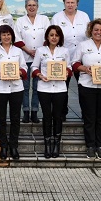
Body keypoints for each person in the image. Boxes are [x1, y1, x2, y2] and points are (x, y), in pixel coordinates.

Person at [71, 18, 101, 160]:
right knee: (89, 117)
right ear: (91, 31)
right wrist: (84, 68)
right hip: (87, 85)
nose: (98, 32)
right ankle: (90, 146)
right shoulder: (83, 45)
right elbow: (74, 63)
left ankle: (100, 146)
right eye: (96, 30)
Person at [31, 25, 71, 159]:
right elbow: (34, 67)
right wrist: (39, 75)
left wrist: (66, 72)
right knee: (47, 116)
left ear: (60, 37)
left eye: (57, 35)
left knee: (58, 116)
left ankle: (56, 144)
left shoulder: (64, 51)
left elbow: (69, 67)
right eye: (51, 35)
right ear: (47, 37)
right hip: (44, 88)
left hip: (60, 88)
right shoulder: (41, 50)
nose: (54, 37)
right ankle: (47, 144)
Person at [0, 24, 27, 160]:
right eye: (3, 34)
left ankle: (14, 146)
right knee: (1, 118)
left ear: (12, 36)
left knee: (15, 118)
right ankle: (3, 146)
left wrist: (19, 72)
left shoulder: (18, 51)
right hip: (0, 88)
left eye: (8, 34)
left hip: (16, 88)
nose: (6, 37)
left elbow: (24, 68)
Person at [51, 0, 90, 120]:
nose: (70, 5)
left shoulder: (84, 16)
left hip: (81, 58)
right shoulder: (57, 17)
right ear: (64, 3)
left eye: (73, 2)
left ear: (77, 4)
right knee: (63, 87)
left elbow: (89, 36)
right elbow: (52, 37)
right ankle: (62, 113)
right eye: (68, 2)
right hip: (63, 58)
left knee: (84, 88)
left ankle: (86, 113)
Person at [15, 0, 50, 124]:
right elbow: (17, 39)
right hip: (25, 57)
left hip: (40, 59)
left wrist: (39, 52)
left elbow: (48, 36)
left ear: (37, 7)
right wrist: (28, 51)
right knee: (24, 87)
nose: (31, 7)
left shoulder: (44, 19)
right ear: (25, 7)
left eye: (34, 5)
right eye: (29, 5)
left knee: (37, 86)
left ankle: (34, 111)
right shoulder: (20, 21)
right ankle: (25, 111)